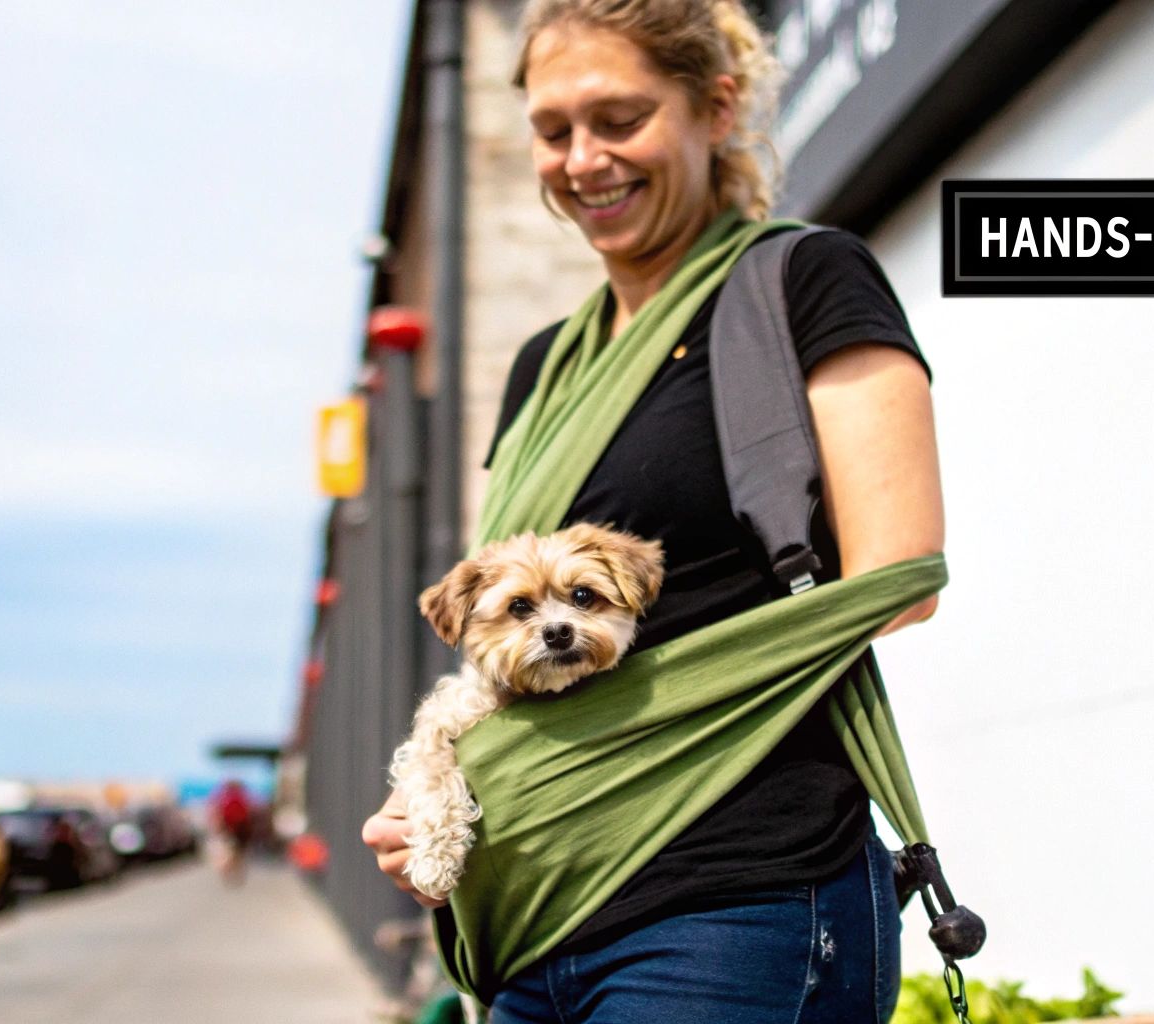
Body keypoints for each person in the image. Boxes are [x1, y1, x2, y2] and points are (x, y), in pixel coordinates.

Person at [361, 0, 943, 1019]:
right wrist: (435, 795)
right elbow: (498, 627)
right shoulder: (545, 366)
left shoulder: (800, 280)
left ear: (716, 108)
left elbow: (898, 577)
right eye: (553, 131)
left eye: (619, 119)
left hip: (734, 898)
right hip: (537, 908)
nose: (583, 159)